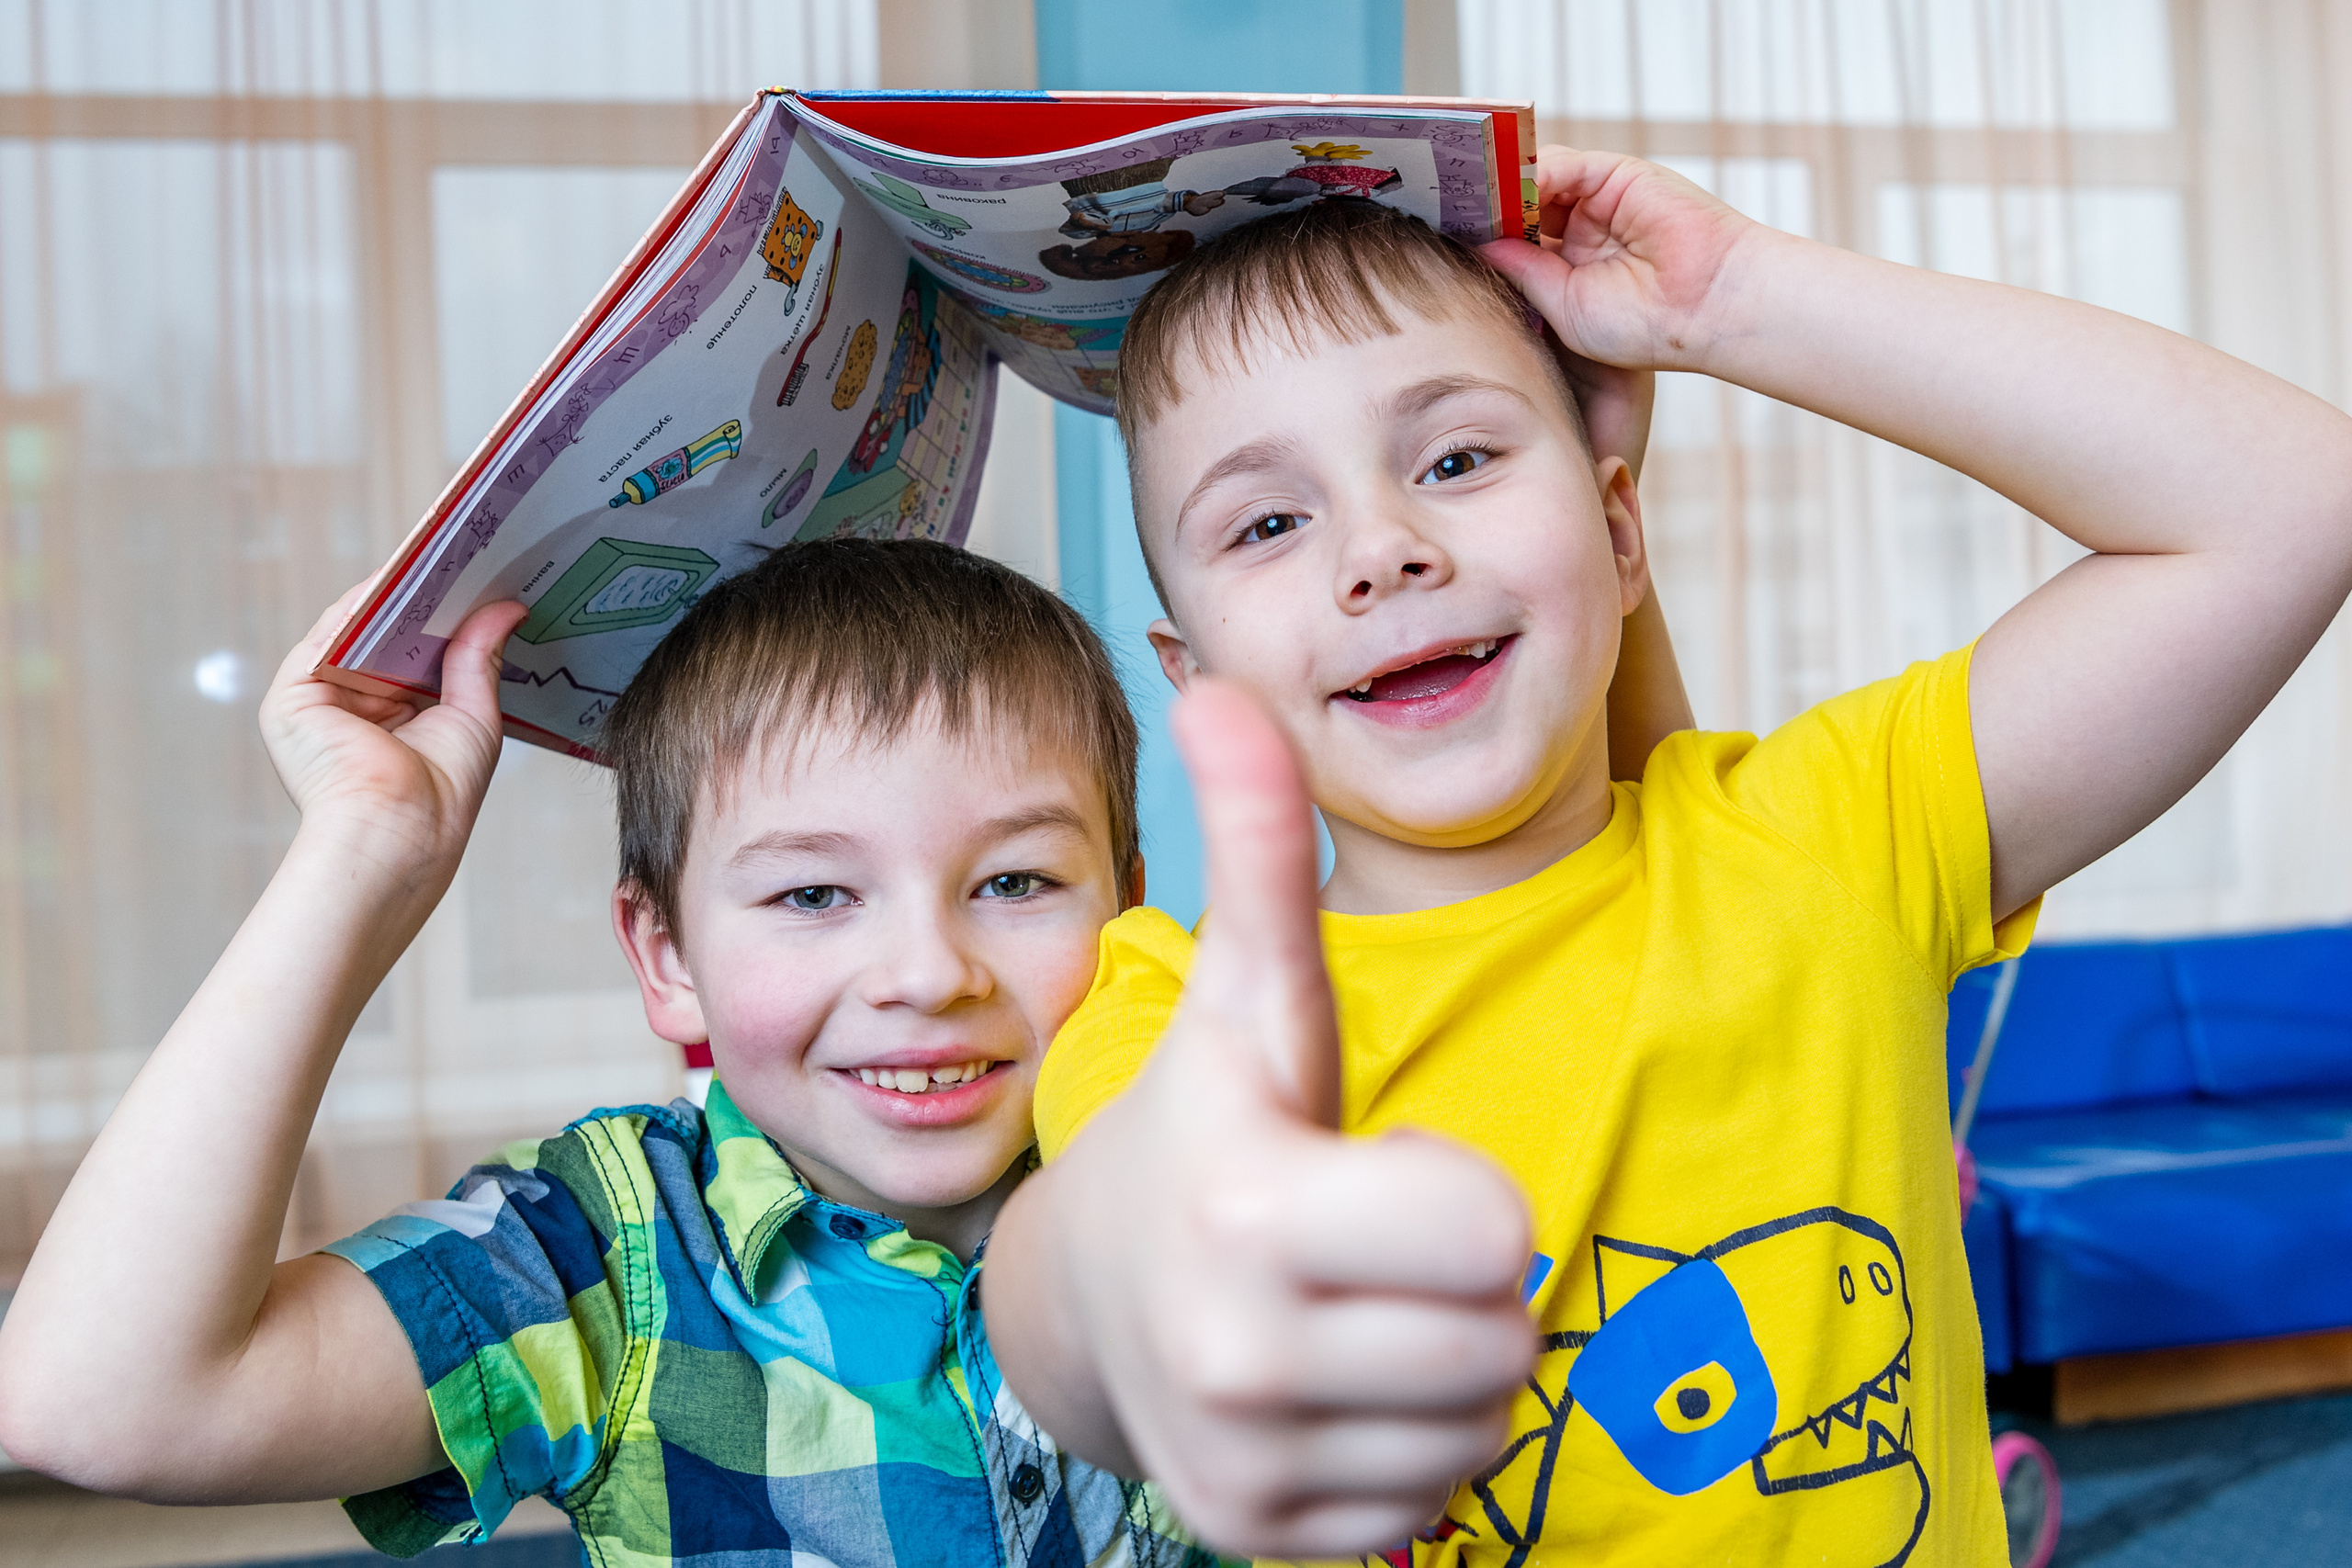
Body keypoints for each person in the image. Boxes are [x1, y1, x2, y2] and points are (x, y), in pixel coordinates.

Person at [979, 154, 2352, 1566]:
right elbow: (1081, 1288)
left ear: (1621, 532)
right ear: (1195, 676)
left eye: (1456, 459)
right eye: (1268, 522)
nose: (1381, 550)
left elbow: (2291, 499)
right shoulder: (1173, 1011)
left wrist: (1735, 305)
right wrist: (1124, 1282)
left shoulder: (1835, 842)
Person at [0, 539, 1220, 1565]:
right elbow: (95, 1402)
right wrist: (365, 857)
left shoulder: (1231, 1174)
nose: (926, 973)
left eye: (1013, 881)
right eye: (811, 895)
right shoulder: (605, 1256)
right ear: (667, 955)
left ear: (1126, 907)